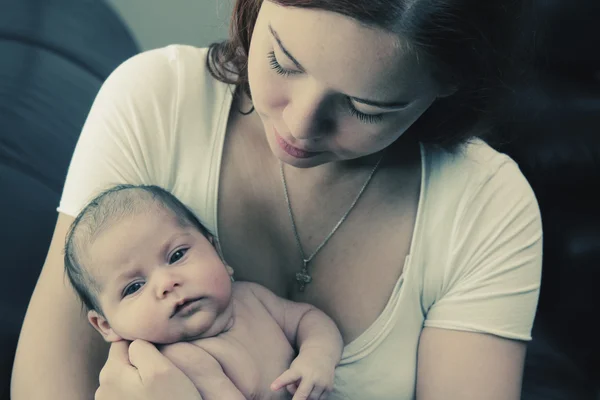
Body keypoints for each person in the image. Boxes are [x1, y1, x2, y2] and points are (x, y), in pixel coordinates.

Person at [11, 0, 543, 399]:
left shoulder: (487, 208)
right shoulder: (154, 101)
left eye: (366, 108)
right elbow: (46, 384)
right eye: (282, 60)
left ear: (447, 85)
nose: (297, 125)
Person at [63, 183, 343, 400]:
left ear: (218, 253)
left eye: (177, 255)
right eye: (134, 287)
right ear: (106, 325)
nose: (167, 283)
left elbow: (309, 318)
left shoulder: (252, 299)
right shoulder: (170, 363)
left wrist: (318, 358)